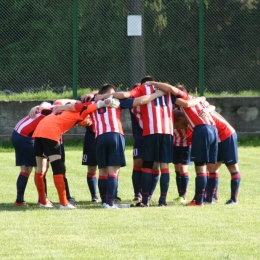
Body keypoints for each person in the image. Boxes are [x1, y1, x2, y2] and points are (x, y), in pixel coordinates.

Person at [55, 84, 166, 208]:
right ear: (111, 92)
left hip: (99, 137)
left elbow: (73, 105)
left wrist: (58, 107)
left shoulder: (93, 101)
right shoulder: (117, 100)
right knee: (113, 170)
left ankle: (104, 202)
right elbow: (140, 100)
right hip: (115, 134)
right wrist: (156, 95)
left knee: (102, 171)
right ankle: (110, 202)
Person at [99, 81, 206, 207]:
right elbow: (186, 103)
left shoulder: (142, 88)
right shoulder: (166, 91)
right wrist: (201, 98)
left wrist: (104, 96)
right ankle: (162, 201)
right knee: (164, 166)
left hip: (150, 131)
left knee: (148, 165)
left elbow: (125, 95)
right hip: (167, 131)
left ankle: (145, 200)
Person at [32, 96, 119, 209]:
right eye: (89, 121)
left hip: (39, 132)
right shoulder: (81, 110)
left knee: (40, 169)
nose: (89, 123)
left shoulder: (61, 110)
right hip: (51, 134)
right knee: (58, 168)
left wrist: (39, 106)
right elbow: (92, 106)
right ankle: (64, 203)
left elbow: (43, 108)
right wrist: (106, 102)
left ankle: (43, 202)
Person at [145, 81, 218, 207]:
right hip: (213, 129)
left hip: (201, 129)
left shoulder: (185, 99)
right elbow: (209, 105)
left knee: (200, 168)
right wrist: (202, 98)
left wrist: (152, 83)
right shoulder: (196, 101)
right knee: (207, 167)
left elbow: (172, 91)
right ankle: (206, 197)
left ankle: (199, 201)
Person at [204, 111, 241, 204]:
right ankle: (212, 197)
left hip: (226, 135)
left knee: (232, 167)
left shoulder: (194, 105)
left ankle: (234, 199)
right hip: (216, 138)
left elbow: (207, 103)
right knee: (211, 167)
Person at [172, 110, 193, 205]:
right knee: (177, 168)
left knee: (183, 168)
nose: (176, 127)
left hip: (187, 146)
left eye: (176, 125)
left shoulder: (188, 121)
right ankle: (180, 194)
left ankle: (184, 196)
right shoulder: (171, 117)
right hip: (175, 145)